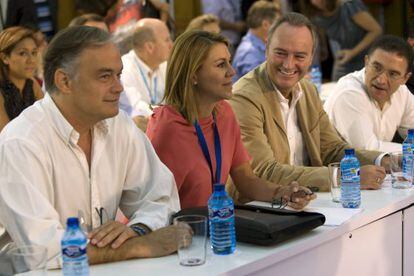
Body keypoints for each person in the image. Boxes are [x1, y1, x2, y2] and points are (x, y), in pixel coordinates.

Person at [0, 26, 187, 268]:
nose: (118, 87)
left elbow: (161, 196)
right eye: (104, 76)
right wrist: (140, 246)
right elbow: (44, 250)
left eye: (119, 75)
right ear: (64, 81)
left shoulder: (117, 125)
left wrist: (139, 229)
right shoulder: (21, 143)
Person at [146, 30, 315, 209]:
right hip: (182, 230)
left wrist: (282, 193)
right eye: (221, 65)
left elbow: (246, 181)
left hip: (216, 226)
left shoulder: (223, 113)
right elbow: (155, 208)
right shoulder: (167, 129)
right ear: (193, 74)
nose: (231, 72)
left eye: (229, 62)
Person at [229, 13, 387, 197]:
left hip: (307, 203)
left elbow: (331, 149)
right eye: (281, 53)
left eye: (299, 56)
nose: (288, 64)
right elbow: (264, 172)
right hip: (261, 210)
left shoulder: (308, 90)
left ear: (311, 58)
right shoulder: (243, 98)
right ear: (266, 49)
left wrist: (382, 160)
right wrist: (345, 176)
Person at [324, 35, 414, 152]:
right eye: (377, 67)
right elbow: (368, 149)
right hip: (336, 168)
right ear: (366, 62)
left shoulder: (402, 92)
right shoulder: (349, 94)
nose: (381, 80)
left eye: (392, 74)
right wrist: (409, 150)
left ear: (405, 78)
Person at [300, 0, 382, 81]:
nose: (314, 2)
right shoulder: (316, 13)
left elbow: (376, 30)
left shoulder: (349, 6)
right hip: (343, 59)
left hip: (365, 59)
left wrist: (352, 52)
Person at [120, 18, 172, 131]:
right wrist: (171, 114)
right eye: (167, 40)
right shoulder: (124, 69)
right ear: (149, 47)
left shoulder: (166, 66)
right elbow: (136, 109)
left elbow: (179, 102)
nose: (171, 45)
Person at [0, 26, 43, 132]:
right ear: (5, 58)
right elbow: (6, 136)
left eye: (34, 53)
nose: (31, 60)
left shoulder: (32, 83)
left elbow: (49, 121)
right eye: (23, 53)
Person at [232, 0, 279, 82]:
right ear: (265, 25)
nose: (280, 28)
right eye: (277, 24)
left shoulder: (259, 45)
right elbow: (261, 87)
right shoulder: (250, 53)